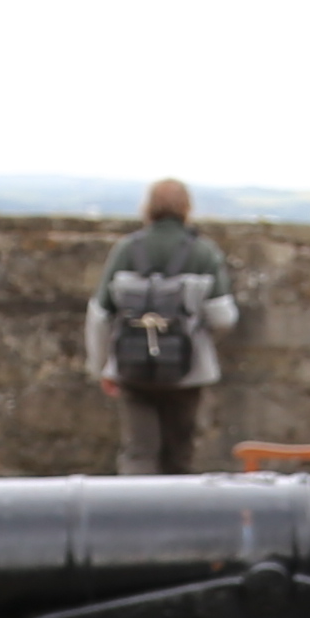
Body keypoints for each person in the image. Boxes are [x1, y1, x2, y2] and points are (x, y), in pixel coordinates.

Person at [83, 176, 238, 473]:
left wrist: (102, 366)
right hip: (187, 372)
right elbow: (224, 317)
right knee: (179, 451)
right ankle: (177, 514)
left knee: (138, 451)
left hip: (132, 370)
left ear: (148, 208)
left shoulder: (126, 250)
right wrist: (194, 341)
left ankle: (136, 515)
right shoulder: (203, 253)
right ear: (186, 208)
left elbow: (100, 315)